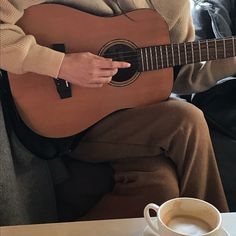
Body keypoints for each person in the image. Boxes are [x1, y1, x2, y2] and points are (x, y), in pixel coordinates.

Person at [1, 0, 236, 221]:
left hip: (128, 117)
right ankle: (216, 227)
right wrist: (61, 65)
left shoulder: (174, 4)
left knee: (160, 186)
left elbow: (180, 73)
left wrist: (231, 61)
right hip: (67, 123)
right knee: (188, 120)